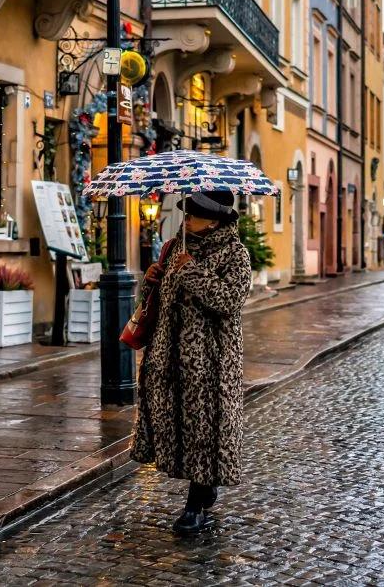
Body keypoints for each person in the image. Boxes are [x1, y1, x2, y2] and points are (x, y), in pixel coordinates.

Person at [131, 190, 252, 535]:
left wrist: (192, 272)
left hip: (211, 363)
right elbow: (160, 301)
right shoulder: (174, 249)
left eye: (194, 216)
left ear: (214, 220)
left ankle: (194, 505)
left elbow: (230, 299)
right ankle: (204, 484)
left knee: (205, 428)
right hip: (169, 358)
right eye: (186, 215)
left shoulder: (235, 254)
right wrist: (152, 279)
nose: (187, 221)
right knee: (180, 427)